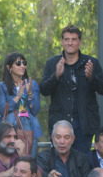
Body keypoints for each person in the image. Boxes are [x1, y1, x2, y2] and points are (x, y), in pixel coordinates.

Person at [39, 25, 103, 153]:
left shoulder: (92, 63)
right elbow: (44, 90)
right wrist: (56, 76)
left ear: (79, 42)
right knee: (60, 164)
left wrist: (91, 78)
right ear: (62, 42)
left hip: (85, 124)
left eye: (74, 39)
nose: (70, 42)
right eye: (67, 39)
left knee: (82, 163)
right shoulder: (52, 63)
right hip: (60, 123)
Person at [0, 52, 42, 157]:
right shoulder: (1, 86)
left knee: (29, 161)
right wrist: (18, 97)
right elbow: (3, 110)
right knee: (7, 162)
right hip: (8, 129)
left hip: (29, 129)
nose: (22, 66)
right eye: (18, 63)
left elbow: (35, 110)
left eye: (24, 63)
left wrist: (29, 95)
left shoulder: (31, 84)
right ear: (9, 67)